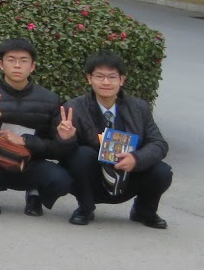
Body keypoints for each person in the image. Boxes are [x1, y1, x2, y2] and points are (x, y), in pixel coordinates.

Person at [0, 38, 76, 216]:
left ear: (32, 66)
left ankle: (35, 195)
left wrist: (61, 139)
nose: (17, 65)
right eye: (11, 60)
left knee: (61, 181)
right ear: (1, 64)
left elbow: (56, 150)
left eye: (23, 61)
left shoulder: (50, 100)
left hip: (31, 163)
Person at [64, 52, 172, 229]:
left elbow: (159, 143)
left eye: (112, 77)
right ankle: (85, 208)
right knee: (81, 155)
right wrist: (65, 138)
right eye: (99, 76)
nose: (106, 82)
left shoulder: (139, 108)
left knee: (162, 171)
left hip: (128, 173)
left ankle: (144, 212)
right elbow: (62, 152)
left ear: (122, 80)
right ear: (89, 79)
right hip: (92, 175)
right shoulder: (74, 108)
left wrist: (136, 159)